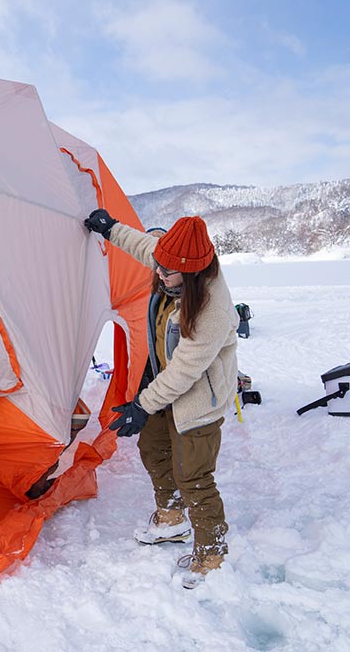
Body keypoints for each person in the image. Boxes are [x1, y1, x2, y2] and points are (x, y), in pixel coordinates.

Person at [84, 210, 239, 588]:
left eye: (167, 273)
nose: (158, 274)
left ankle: (212, 555)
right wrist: (109, 229)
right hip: (161, 383)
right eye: (160, 267)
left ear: (193, 274)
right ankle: (171, 519)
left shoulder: (211, 311)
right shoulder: (172, 263)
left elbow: (184, 373)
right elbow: (143, 246)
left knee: (194, 476)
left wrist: (141, 405)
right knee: (153, 449)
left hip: (197, 401)